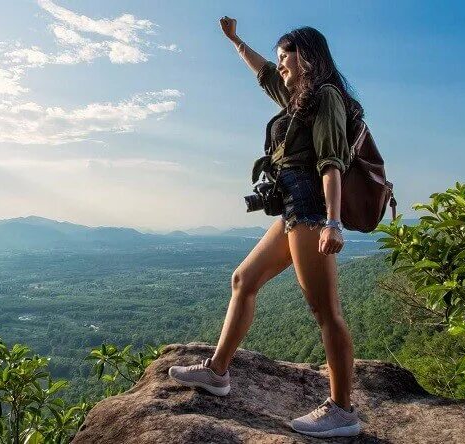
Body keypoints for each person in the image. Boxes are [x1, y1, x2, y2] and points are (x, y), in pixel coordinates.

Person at [167, 16, 362, 438]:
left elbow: (331, 162)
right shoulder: (296, 99)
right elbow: (263, 73)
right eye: (279, 59)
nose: (281, 66)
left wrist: (333, 221)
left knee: (325, 310)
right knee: (244, 279)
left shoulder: (325, 97)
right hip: (292, 210)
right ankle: (217, 373)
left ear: (306, 56)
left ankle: (343, 410)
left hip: (311, 209)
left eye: (286, 57)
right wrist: (236, 41)